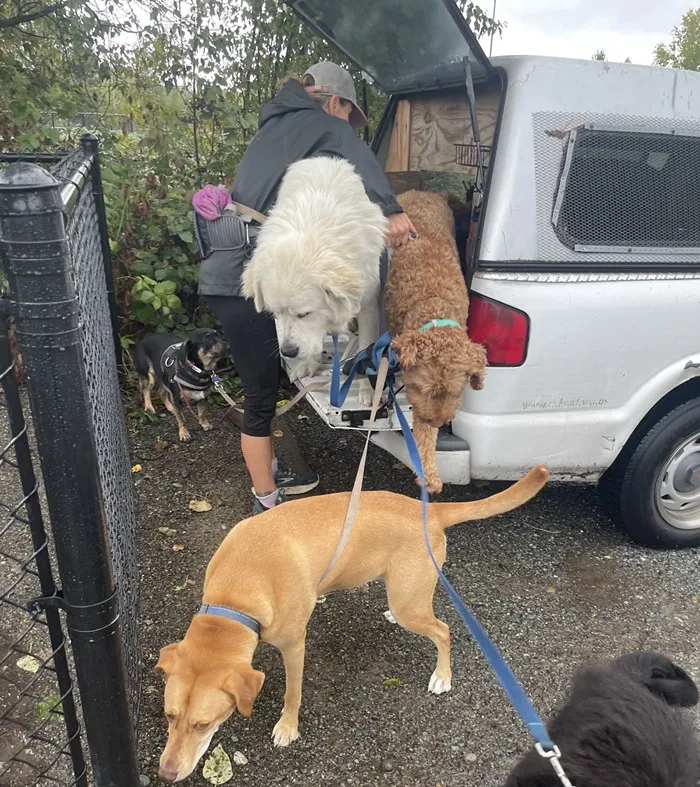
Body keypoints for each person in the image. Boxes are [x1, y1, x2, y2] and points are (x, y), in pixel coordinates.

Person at [199, 61, 416, 515]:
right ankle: (267, 504)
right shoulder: (320, 122)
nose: (346, 128)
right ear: (334, 101)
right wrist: (392, 210)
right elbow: (359, 162)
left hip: (234, 270)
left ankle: (273, 470)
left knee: (266, 382)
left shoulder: (275, 127)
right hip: (253, 273)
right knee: (260, 395)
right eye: (349, 116)